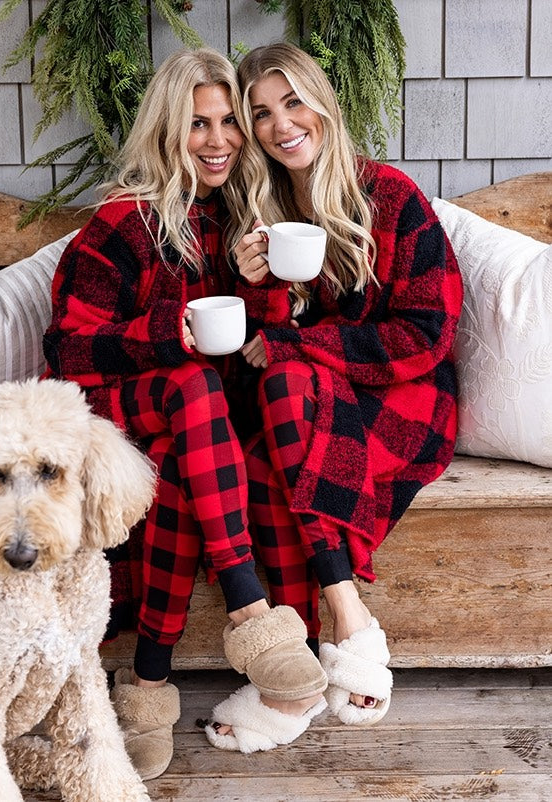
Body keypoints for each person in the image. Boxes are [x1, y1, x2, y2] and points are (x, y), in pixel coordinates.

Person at [43, 47, 328, 779]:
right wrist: (169, 333)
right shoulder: (122, 223)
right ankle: (248, 609)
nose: (221, 139)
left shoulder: (237, 216)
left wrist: (260, 288)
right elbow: (70, 349)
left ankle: (146, 683)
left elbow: (241, 361)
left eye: (232, 121)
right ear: (169, 130)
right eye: (199, 123)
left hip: (185, 434)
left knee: (181, 455)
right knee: (191, 392)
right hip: (105, 408)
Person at [203, 42, 463, 749]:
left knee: (288, 394)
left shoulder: (389, 196)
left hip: (404, 397)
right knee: (263, 451)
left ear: (322, 103)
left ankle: (307, 663)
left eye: (292, 102)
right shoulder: (260, 212)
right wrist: (257, 288)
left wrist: (297, 346)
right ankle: (323, 642)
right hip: (310, 405)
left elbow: (427, 333)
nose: (280, 124)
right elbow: (261, 351)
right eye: (260, 113)